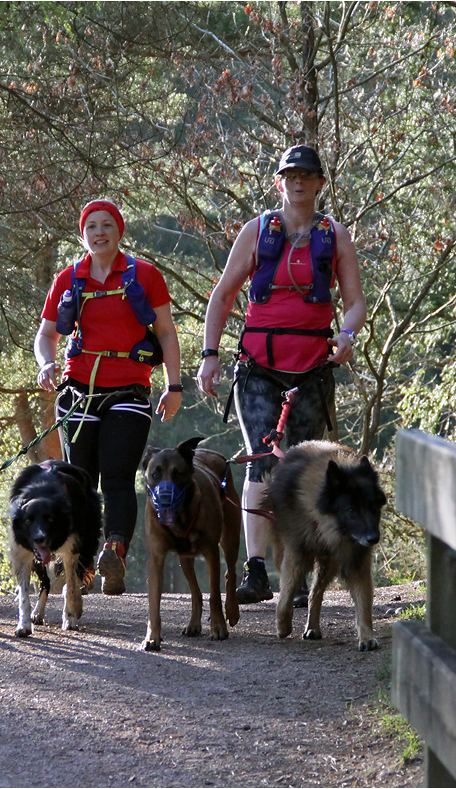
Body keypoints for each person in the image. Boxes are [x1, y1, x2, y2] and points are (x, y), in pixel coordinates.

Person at [196, 145, 366, 604]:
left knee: (305, 466)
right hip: (257, 367)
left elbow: (354, 302)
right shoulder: (257, 232)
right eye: (290, 174)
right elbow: (223, 295)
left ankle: (297, 567)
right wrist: (210, 354)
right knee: (261, 459)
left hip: (312, 367)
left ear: (319, 184)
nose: (298, 182)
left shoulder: (335, 235)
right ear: (278, 182)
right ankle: (255, 570)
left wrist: (347, 334)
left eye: (307, 175)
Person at [35, 199, 183, 595]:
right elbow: (46, 336)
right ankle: (77, 565)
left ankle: (113, 552)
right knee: (79, 484)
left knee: (117, 479)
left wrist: (174, 385)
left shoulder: (145, 275)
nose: (99, 232)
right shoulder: (68, 279)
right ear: (83, 235)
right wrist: (46, 364)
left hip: (129, 390)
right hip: (78, 391)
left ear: (119, 232)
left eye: (107, 225)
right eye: (91, 227)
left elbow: (166, 332)